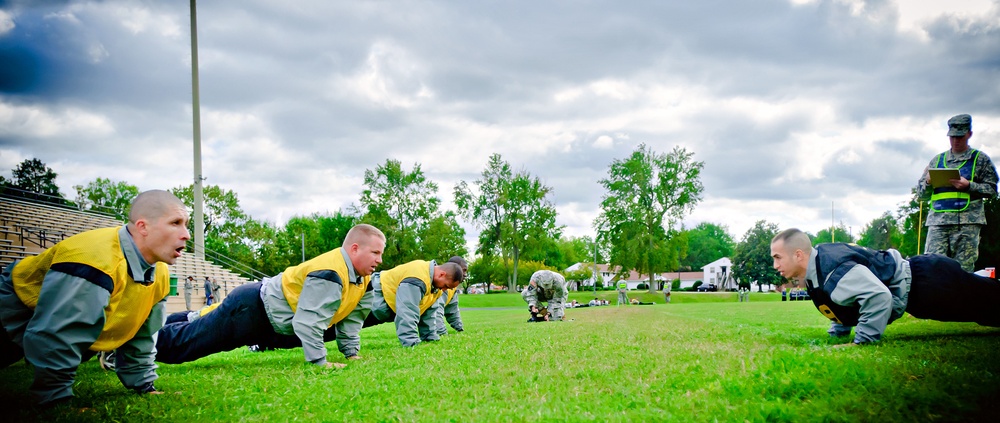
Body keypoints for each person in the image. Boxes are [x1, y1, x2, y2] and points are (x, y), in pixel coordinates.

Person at [0, 190, 189, 406]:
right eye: (176, 223)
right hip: (12, 310)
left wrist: (144, 384)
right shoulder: (92, 259)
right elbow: (58, 334)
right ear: (142, 227)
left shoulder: (161, 272)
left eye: (186, 224)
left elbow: (143, 334)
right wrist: (56, 397)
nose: (186, 234)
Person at [155, 224, 385, 368]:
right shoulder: (331, 272)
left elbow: (351, 322)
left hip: (265, 317)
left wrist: (351, 354)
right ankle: (129, 345)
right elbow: (308, 322)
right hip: (251, 309)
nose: (380, 260)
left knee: (196, 320)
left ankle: (148, 328)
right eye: (375, 252)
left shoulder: (364, 281)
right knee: (187, 344)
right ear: (354, 248)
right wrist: (319, 362)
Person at [770, 228, 1000, 345]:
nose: (775, 265)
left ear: (798, 254)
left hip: (930, 284)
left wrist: (863, 339)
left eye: (778, 257)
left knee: (989, 305)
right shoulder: (817, 266)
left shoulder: (833, 271)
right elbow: (838, 302)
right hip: (924, 285)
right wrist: (838, 332)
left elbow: (879, 296)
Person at [916, 114, 998, 271]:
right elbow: (921, 194)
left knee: (963, 272)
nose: (956, 140)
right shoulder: (937, 161)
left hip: (967, 225)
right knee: (931, 269)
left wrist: (969, 186)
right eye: (952, 137)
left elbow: (992, 190)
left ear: (969, 134)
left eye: (960, 136)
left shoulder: (980, 160)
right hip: (938, 224)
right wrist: (927, 182)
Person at [363, 260, 464, 347]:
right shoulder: (417, 278)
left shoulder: (435, 286)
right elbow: (407, 312)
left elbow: (428, 313)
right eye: (446, 285)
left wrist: (430, 337)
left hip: (382, 307)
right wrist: (411, 342)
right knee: (349, 322)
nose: (445, 290)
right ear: (442, 274)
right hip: (372, 300)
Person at [434, 256, 467, 337]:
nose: (465, 275)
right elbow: (436, 312)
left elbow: (452, 310)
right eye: (464, 270)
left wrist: (459, 328)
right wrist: (442, 332)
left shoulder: (452, 289)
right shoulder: (440, 286)